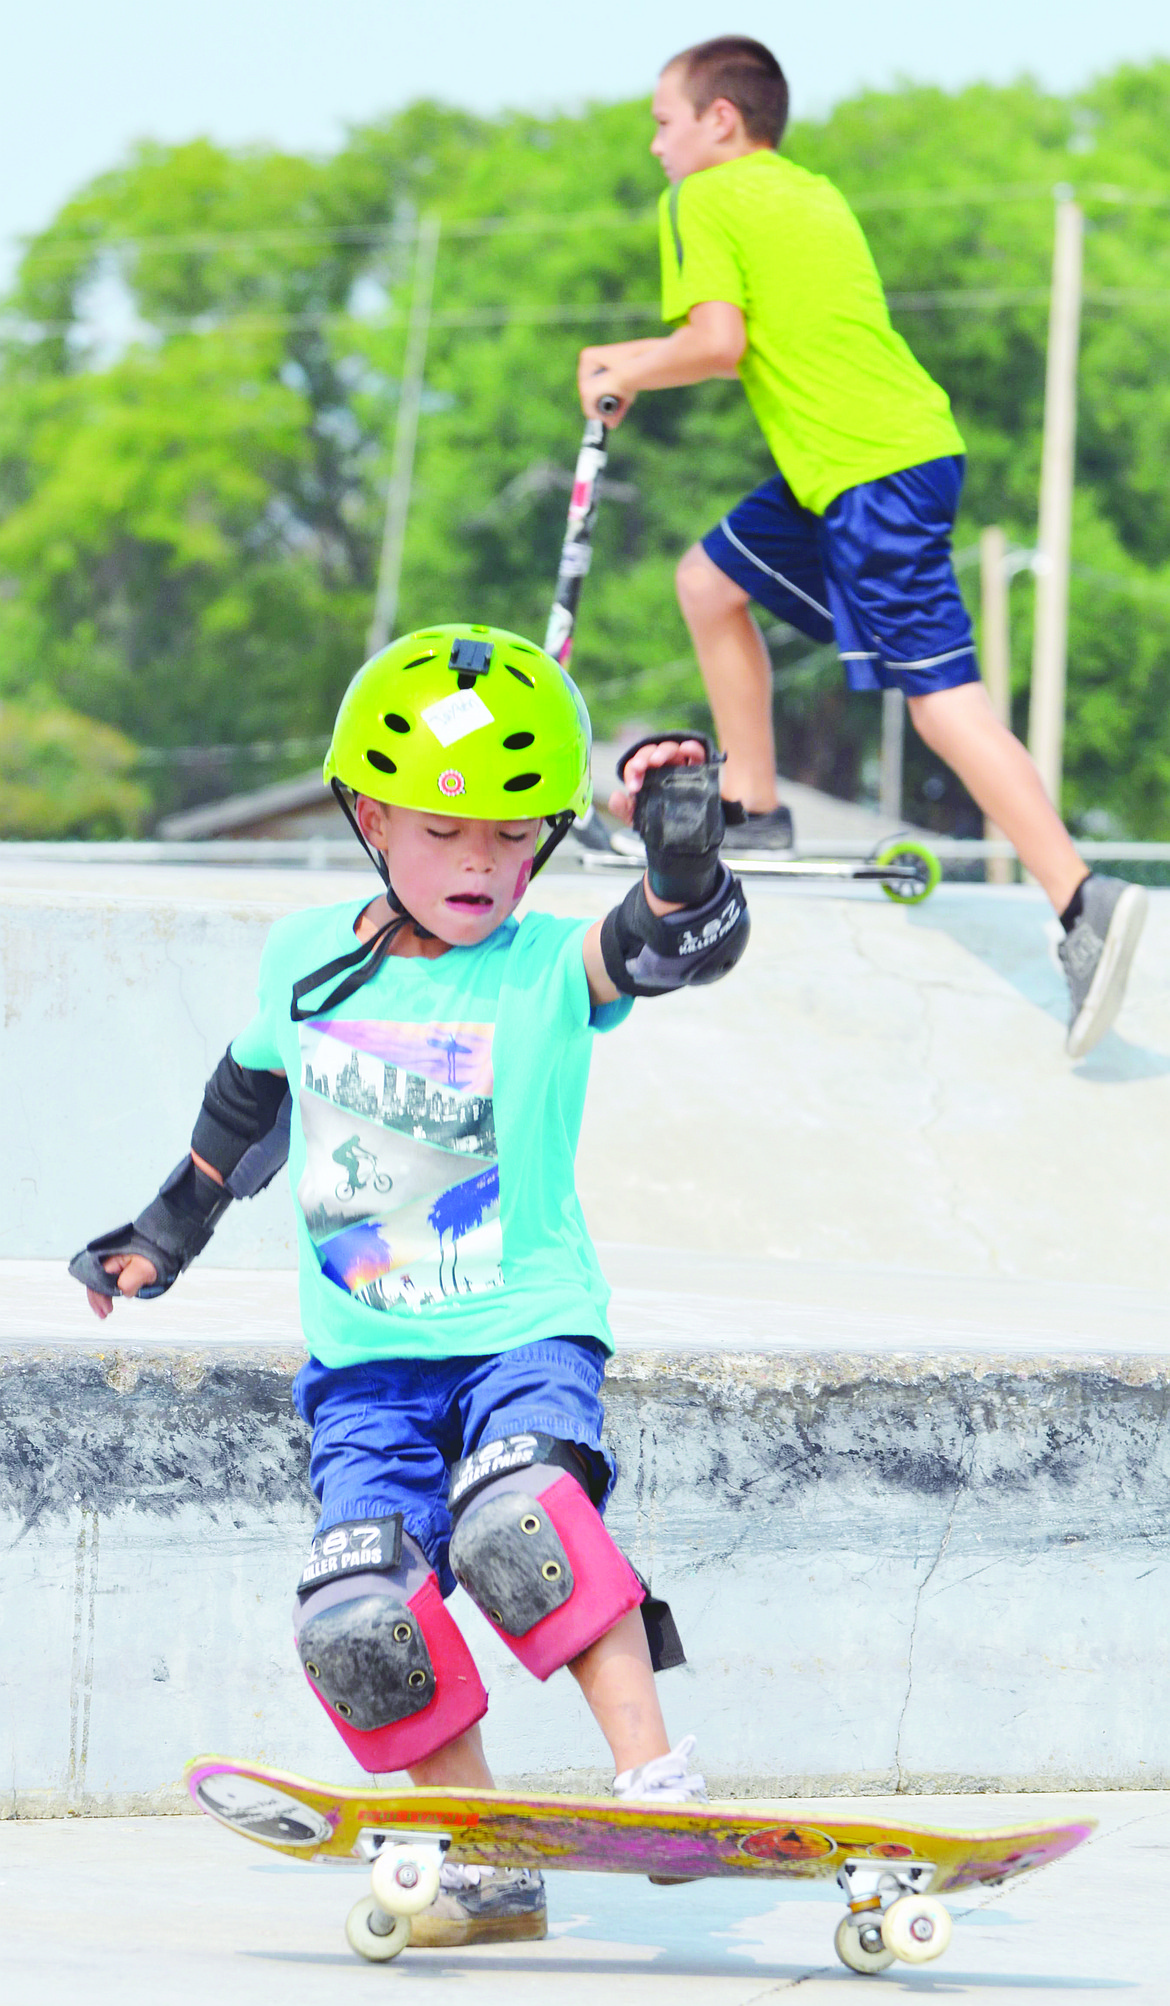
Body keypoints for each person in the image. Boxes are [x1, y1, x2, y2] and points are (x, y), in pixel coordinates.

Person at [69, 623, 749, 1948]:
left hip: (522, 1332)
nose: (481, 865)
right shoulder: (305, 957)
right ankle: (486, 1858)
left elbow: (670, 945)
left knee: (519, 1522)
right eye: (447, 831)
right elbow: (246, 1101)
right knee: (359, 1609)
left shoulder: (549, 964)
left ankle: (653, 1777)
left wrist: (681, 861)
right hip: (362, 1363)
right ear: (371, 815)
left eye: (510, 834)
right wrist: (165, 1228)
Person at [577, 34, 1146, 1060]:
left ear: (719, 120)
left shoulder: (704, 201)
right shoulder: (811, 192)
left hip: (869, 474)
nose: (655, 145)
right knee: (708, 579)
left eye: (664, 122)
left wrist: (622, 364)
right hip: (864, 467)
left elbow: (718, 341)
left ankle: (1081, 900)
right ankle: (752, 800)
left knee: (942, 701)